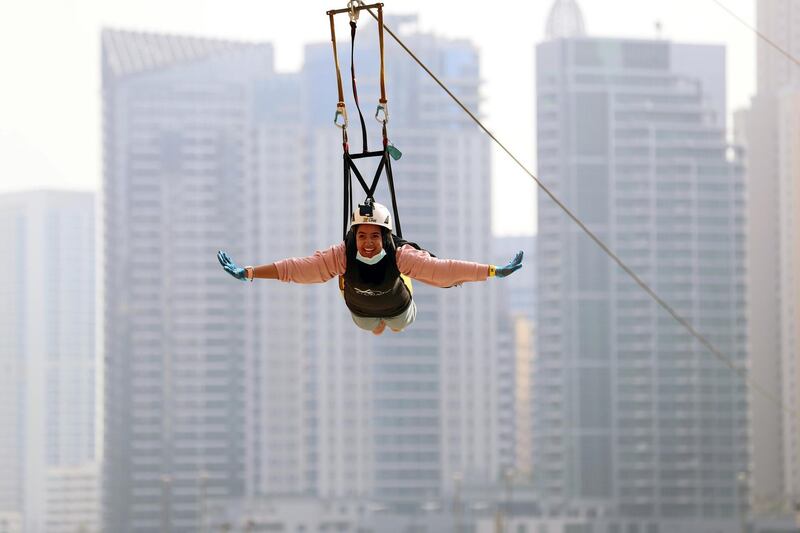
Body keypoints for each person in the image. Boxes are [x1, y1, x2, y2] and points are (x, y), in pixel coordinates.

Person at [217, 201, 523, 335]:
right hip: (361, 314)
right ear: (354, 236)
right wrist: (250, 272)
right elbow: (296, 269)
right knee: (371, 325)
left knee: (396, 323)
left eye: (374, 237)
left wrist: (493, 271)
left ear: (385, 237)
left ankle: (386, 320)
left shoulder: (400, 255)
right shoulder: (343, 255)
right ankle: (377, 325)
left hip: (399, 309)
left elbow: (445, 271)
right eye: (362, 236)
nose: (367, 243)